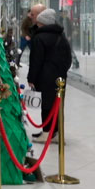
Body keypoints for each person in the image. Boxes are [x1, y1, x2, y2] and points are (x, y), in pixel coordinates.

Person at [28, 8, 73, 142]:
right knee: (58, 104)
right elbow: (68, 58)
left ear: (42, 23)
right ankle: (57, 132)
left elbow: (36, 60)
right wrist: (62, 71)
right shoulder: (61, 36)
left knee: (46, 105)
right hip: (60, 77)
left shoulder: (39, 38)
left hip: (44, 77)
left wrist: (32, 78)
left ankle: (47, 133)